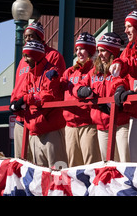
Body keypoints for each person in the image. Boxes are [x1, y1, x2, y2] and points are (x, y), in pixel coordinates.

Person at [10, 21, 66, 159]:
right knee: (21, 162)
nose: (27, 39)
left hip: (41, 119)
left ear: (40, 37)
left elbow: (52, 90)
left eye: (31, 36)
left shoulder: (53, 56)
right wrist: (15, 102)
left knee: (51, 166)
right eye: (25, 37)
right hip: (21, 116)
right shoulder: (24, 59)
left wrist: (28, 100)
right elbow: (18, 86)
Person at [75, 32, 130, 162]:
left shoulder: (120, 69)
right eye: (98, 50)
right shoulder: (94, 72)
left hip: (121, 124)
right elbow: (78, 87)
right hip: (102, 127)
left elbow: (125, 85)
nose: (99, 54)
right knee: (109, 166)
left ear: (112, 52)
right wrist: (82, 90)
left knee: (125, 162)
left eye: (103, 51)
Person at [109, 10, 137, 163]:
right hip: (135, 115)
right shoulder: (128, 50)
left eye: (129, 26)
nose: (125, 31)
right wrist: (120, 88)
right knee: (136, 164)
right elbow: (120, 75)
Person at [60, 32, 101, 167]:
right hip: (70, 125)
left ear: (90, 50)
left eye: (82, 48)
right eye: (77, 49)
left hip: (88, 124)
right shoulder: (69, 72)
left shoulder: (95, 70)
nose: (78, 52)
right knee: (72, 167)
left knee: (90, 165)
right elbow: (61, 90)